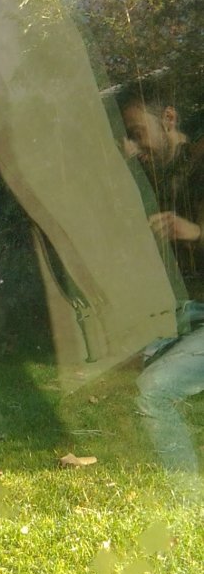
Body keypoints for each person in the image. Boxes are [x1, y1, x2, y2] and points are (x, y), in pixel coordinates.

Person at [119, 87, 204, 480]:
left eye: (138, 134)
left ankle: (187, 504)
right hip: (184, 316)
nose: (133, 148)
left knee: (154, 388)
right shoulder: (156, 177)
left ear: (169, 119)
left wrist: (196, 233)